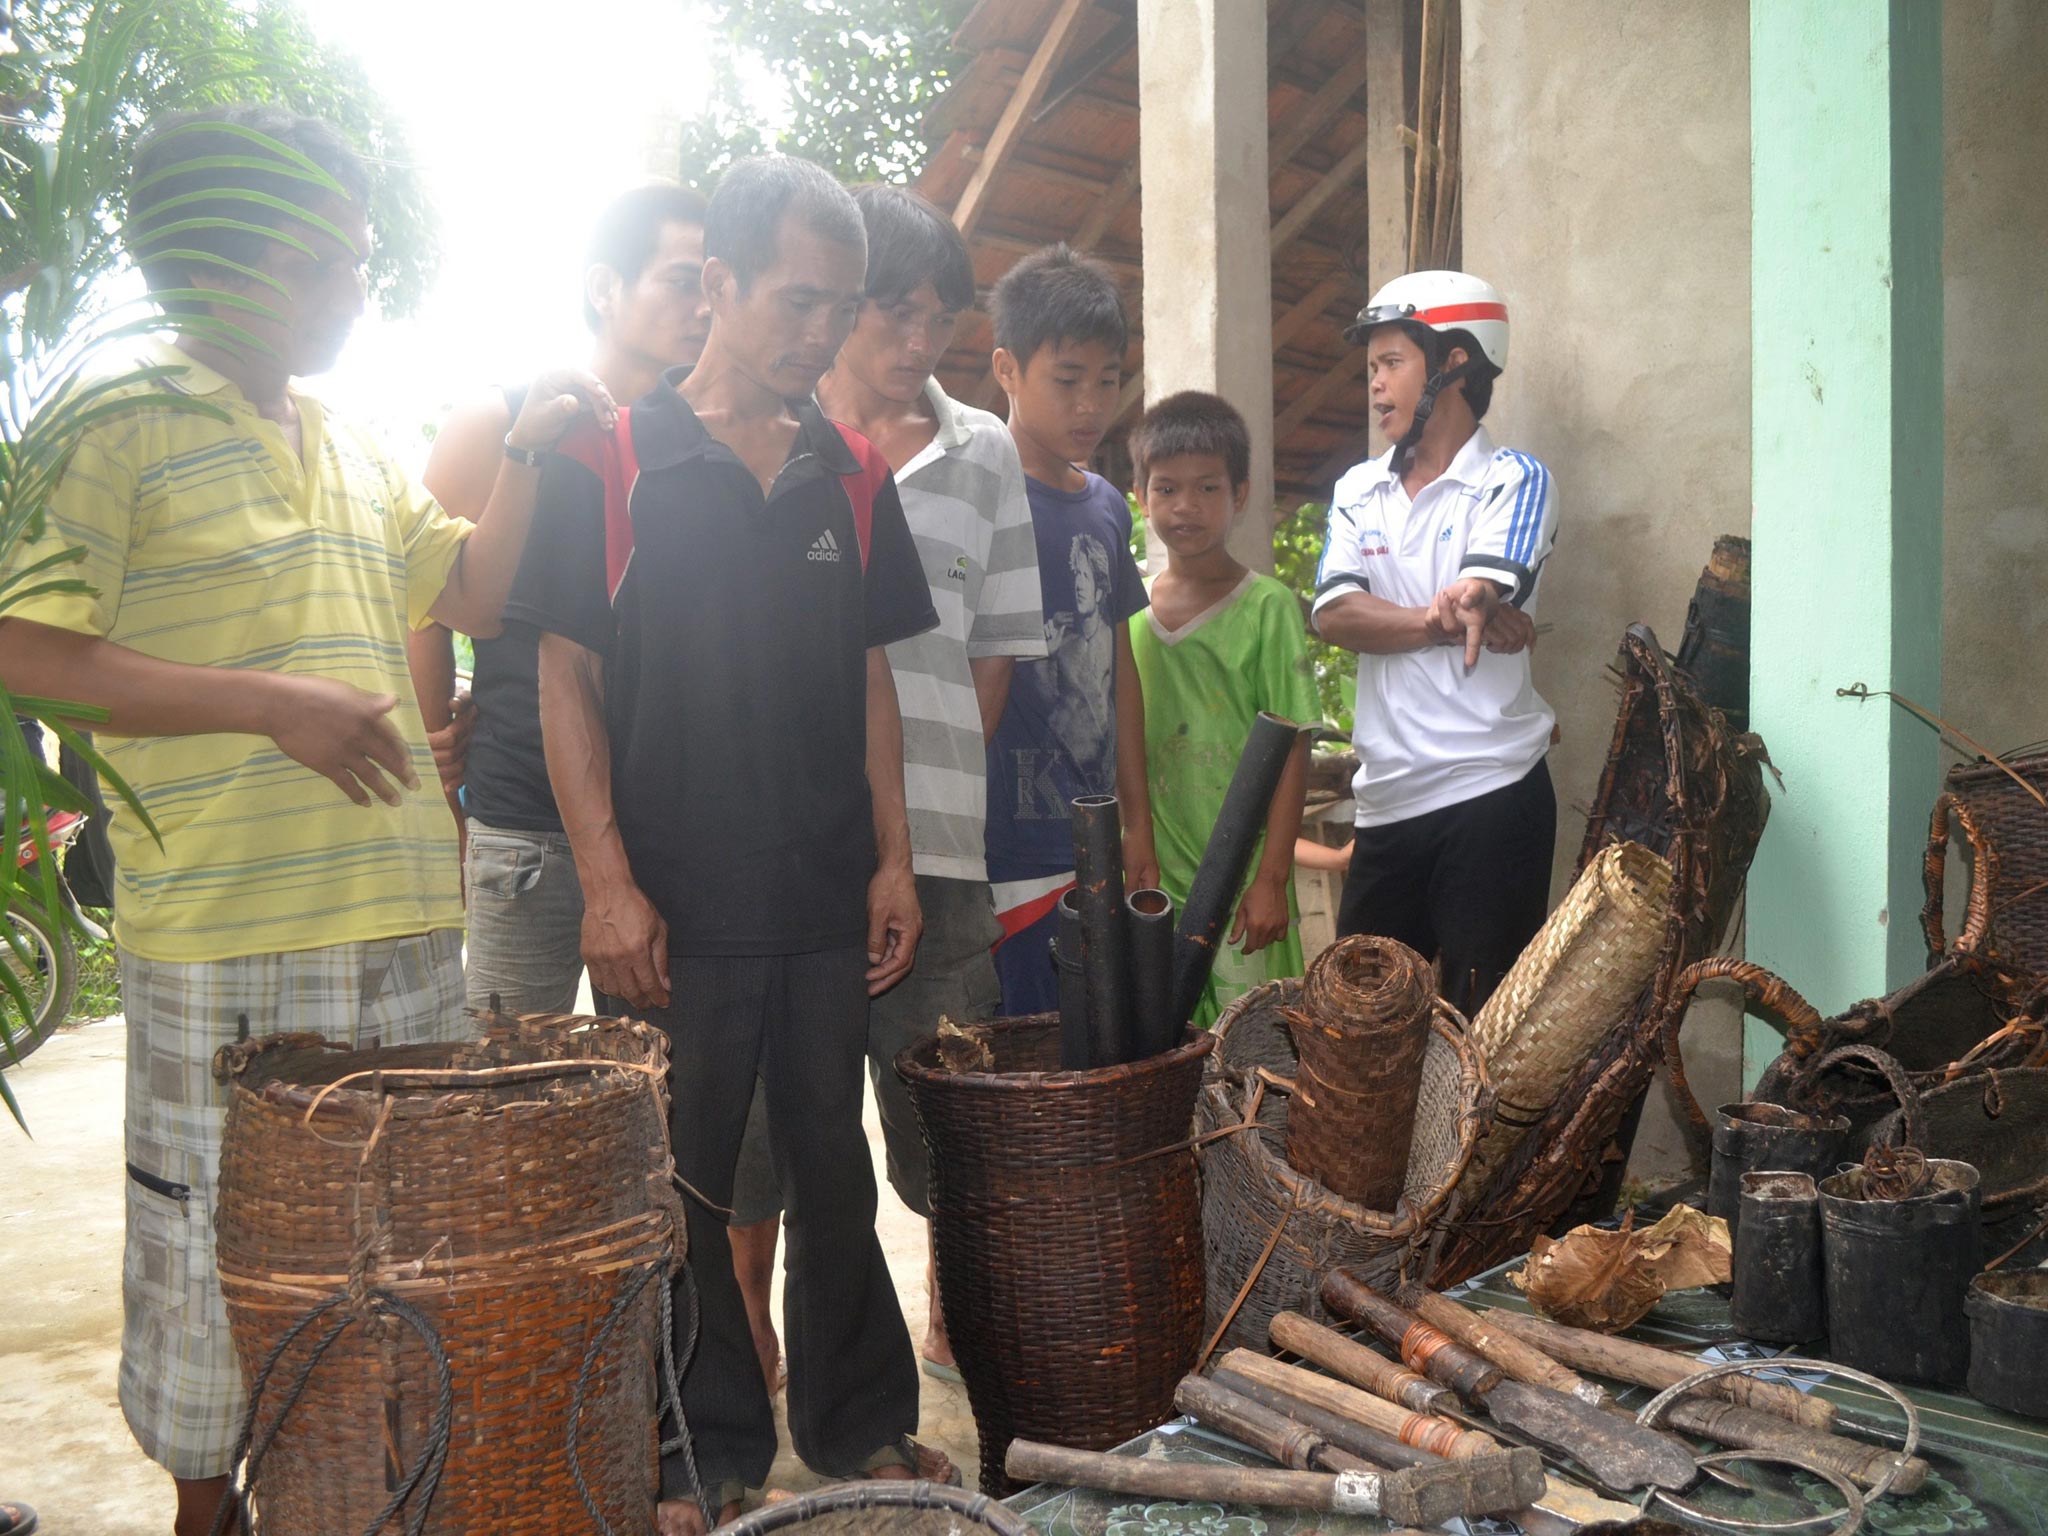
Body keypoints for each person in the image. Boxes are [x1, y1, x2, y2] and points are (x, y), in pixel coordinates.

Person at [0, 105, 608, 1536]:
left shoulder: (341, 432)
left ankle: (368, 1506)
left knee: (395, 1257)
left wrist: (523, 448)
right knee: (209, 1249)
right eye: (330, 255)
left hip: (400, 924)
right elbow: (26, 642)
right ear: (226, 259)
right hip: (228, 939)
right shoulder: (110, 414)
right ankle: (205, 1519)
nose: (356, 281)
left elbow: (471, 594)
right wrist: (264, 702)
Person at [506, 155, 942, 1535]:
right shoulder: (610, 460)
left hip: (821, 893)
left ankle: (861, 1425)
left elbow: (869, 673)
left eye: (842, 306)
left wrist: (891, 857)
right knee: (680, 1185)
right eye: (797, 303)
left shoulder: (849, 469)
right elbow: (561, 673)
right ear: (716, 286)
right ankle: (698, 1456)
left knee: (834, 1165)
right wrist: (609, 883)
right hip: (674, 909)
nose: (821, 334)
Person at [789, 185, 1045, 1382]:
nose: (917, 341)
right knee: (782, 1122)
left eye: (937, 317)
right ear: (839, 309)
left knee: (947, 1108)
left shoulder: (983, 449)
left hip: (940, 843)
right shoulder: (772, 438)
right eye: (893, 312)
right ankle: (758, 1347)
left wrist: (941, 799)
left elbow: (994, 650)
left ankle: (956, 1324)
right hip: (789, 843)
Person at [409, 182, 711, 1018]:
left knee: (659, 1094)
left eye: (713, 288)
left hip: (661, 827)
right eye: (681, 281)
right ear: (604, 287)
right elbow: (422, 605)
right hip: (524, 825)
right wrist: (439, 770)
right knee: (507, 1101)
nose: (702, 309)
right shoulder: (499, 422)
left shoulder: (702, 445)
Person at [1310, 270, 1556, 1016]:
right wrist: (1437, 621)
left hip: (1492, 792)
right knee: (1360, 1035)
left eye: (1391, 363)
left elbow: (1481, 593)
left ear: (1453, 361)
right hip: (1385, 804)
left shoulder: (1514, 480)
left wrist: (1469, 604)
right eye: (1371, 370)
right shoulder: (1358, 489)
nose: (1376, 386)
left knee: (1485, 1036)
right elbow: (1334, 615)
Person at [984, 244, 1155, 1015]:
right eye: (1066, 380)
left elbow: (1122, 674)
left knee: (1090, 1060)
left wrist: (1139, 823)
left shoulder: (1107, 508)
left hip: (1093, 845)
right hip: (1002, 849)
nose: (1091, 404)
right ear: (1006, 369)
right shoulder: (975, 494)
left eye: (1108, 379)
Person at [1126, 391, 1319, 1025]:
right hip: (1161, 874)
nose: (1185, 506)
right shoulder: (1127, 619)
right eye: (1167, 488)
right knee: (1168, 1052)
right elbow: (1127, 747)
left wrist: (1271, 877)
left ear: (1239, 494)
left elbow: (1294, 750)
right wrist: (1137, 844)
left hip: (1243, 883)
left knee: (1252, 1052)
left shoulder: (1268, 608)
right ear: (1140, 494)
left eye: (1207, 488)